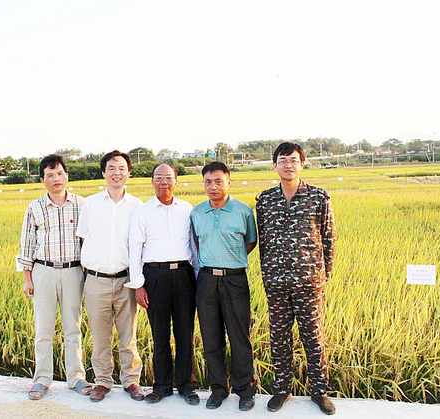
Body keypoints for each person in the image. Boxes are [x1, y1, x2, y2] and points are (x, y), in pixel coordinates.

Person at [256, 142, 336, 415]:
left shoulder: (318, 197)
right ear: (275, 165)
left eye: (293, 160)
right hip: (276, 283)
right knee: (279, 337)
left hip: (309, 282)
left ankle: (320, 392)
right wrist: (267, 275)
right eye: (283, 160)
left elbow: (329, 238)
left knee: (313, 337)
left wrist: (322, 275)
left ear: (302, 163)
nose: (288, 165)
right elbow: (263, 241)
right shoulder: (265, 200)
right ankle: (282, 389)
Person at [17, 154, 91, 400]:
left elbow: (88, 241)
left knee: (73, 327)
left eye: (59, 173)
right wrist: (28, 279)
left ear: (66, 176)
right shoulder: (35, 208)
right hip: (44, 272)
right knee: (44, 328)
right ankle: (41, 379)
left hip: (73, 271)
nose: (56, 179)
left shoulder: (82, 205)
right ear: (42, 180)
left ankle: (76, 377)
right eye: (50, 175)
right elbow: (27, 245)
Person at [128, 163, 200, 405]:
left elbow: (194, 248)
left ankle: (186, 385)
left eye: (168, 177)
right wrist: (138, 285)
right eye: (158, 177)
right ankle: (162, 386)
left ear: (175, 181)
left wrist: (198, 279)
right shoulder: (142, 211)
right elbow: (134, 249)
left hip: (183, 275)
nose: (163, 182)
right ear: (152, 181)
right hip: (154, 276)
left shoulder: (187, 209)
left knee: (184, 333)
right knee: (160, 334)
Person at [77, 150, 145, 402]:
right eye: (112, 168)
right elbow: (83, 238)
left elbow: (140, 245)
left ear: (129, 172)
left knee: (128, 335)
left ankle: (131, 381)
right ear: (104, 172)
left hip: (127, 280)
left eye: (121, 168)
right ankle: (103, 381)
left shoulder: (137, 206)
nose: (117, 173)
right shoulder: (90, 204)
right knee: (100, 336)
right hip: (96, 280)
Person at [190, 161, 258, 411]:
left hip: (235, 280)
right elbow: (197, 244)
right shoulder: (197, 213)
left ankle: (245, 390)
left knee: (240, 336)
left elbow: (250, 242)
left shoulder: (243, 211)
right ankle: (218, 389)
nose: (213, 186)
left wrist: (230, 260)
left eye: (218, 181)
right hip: (207, 279)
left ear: (229, 181)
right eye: (208, 182)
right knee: (211, 337)